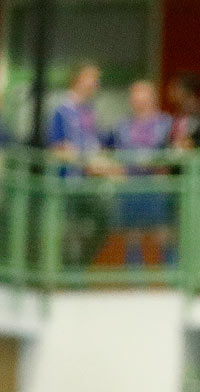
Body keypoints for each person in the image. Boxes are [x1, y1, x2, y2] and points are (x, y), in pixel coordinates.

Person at [46, 61, 117, 268]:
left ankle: (81, 271)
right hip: (69, 183)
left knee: (97, 228)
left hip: (92, 185)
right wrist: (88, 163)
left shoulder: (91, 111)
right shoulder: (62, 110)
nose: (96, 83)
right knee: (69, 232)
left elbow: (97, 144)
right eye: (92, 78)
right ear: (78, 80)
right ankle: (66, 276)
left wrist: (107, 164)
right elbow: (57, 148)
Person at [109, 80, 174, 269]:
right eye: (135, 98)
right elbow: (115, 152)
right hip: (130, 187)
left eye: (143, 97)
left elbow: (172, 154)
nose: (138, 102)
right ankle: (135, 283)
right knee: (132, 236)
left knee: (163, 235)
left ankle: (172, 279)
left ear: (152, 99)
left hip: (157, 188)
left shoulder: (165, 123)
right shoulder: (122, 126)